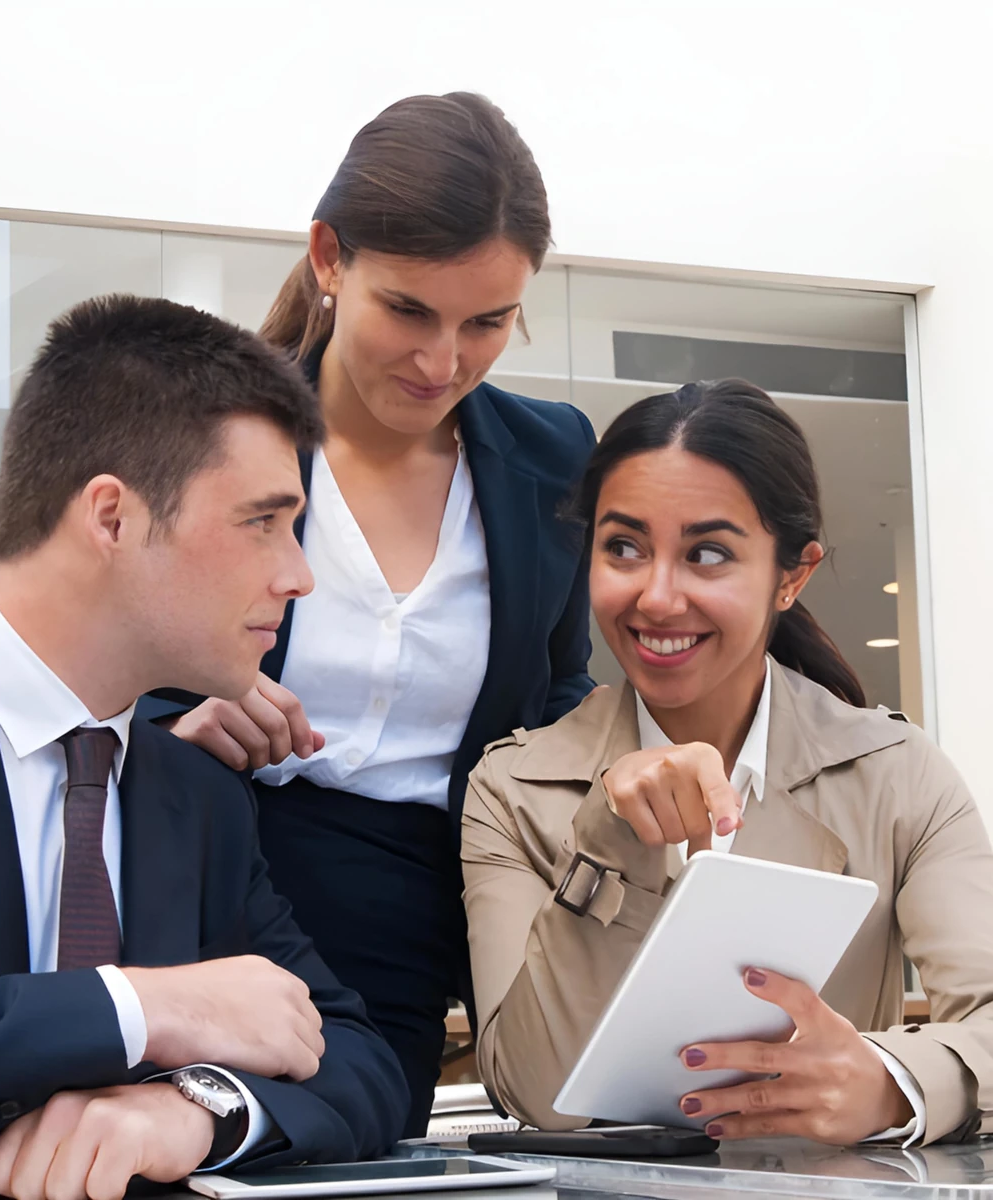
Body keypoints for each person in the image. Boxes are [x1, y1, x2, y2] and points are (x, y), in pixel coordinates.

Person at [0, 295, 408, 1199]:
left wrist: (198, 1108)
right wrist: (138, 1010)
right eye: (261, 522)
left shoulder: (195, 797)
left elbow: (359, 1063)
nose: (299, 574)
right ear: (112, 518)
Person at [140, 92, 596, 1134]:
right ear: (330, 259)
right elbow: (82, 656)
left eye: (488, 322)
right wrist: (176, 721)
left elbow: (559, 681)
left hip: (432, 906)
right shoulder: (204, 428)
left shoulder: (555, 455)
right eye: (410, 311)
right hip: (220, 875)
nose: (444, 362)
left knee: (359, 1149)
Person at [462, 379, 993, 1146]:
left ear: (792, 575)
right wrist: (613, 839)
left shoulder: (898, 775)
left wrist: (888, 1083)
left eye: (708, 554)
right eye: (623, 547)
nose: (657, 596)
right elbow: (534, 1093)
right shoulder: (513, 789)